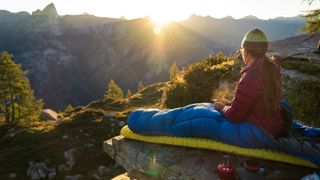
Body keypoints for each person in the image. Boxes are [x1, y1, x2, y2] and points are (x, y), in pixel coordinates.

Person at [215, 28, 284, 138]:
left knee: (210, 124)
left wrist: (221, 107)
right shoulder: (271, 68)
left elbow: (234, 116)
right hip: (274, 126)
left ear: (246, 52)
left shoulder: (251, 77)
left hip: (261, 132)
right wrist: (230, 104)